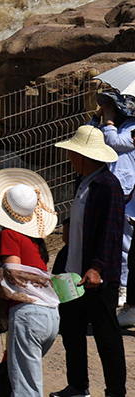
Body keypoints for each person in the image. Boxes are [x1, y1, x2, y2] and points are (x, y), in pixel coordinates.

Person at [50, 125, 126, 397]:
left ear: (85, 156)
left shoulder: (109, 186)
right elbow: (80, 212)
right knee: (71, 331)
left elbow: (111, 231)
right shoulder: (82, 181)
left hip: (97, 278)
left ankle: (116, 391)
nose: (70, 157)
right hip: (73, 271)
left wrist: (97, 267)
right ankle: (78, 385)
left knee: (106, 335)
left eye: (73, 153)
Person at [0, 169, 59, 397]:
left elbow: (13, 274)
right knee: (27, 379)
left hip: (29, 315)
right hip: (51, 316)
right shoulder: (36, 241)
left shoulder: (10, 235)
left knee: (26, 389)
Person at [87, 87, 135, 325]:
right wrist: (98, 118)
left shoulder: (131, 127)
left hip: (128, 193)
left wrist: (108, 120)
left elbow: (115, 142)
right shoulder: (111, 123)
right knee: (109, 238)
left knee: (126, 243)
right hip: (109, 187)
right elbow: (89, 136)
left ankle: (124, 287)